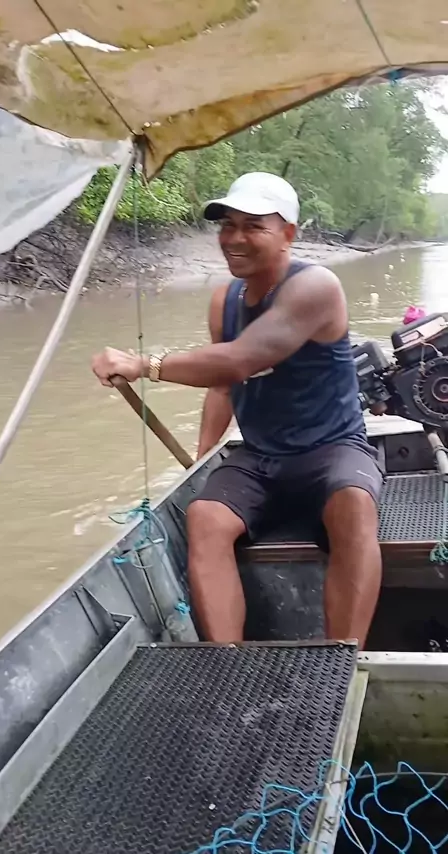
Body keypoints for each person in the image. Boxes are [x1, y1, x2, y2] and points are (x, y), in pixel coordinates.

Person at [92, 171, 383, 649]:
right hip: (260, 456)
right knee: (204, 516)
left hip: (331, 449)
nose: (234, 238)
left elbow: (241, 359)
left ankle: (342, 655)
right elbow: (224, 386)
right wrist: (202, 463)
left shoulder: (317, 286)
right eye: (228, 225)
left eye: (253, 226)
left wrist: (143, 365)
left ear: (288, 233)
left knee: (353, 503)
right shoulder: (223, 301)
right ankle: (228, 661)